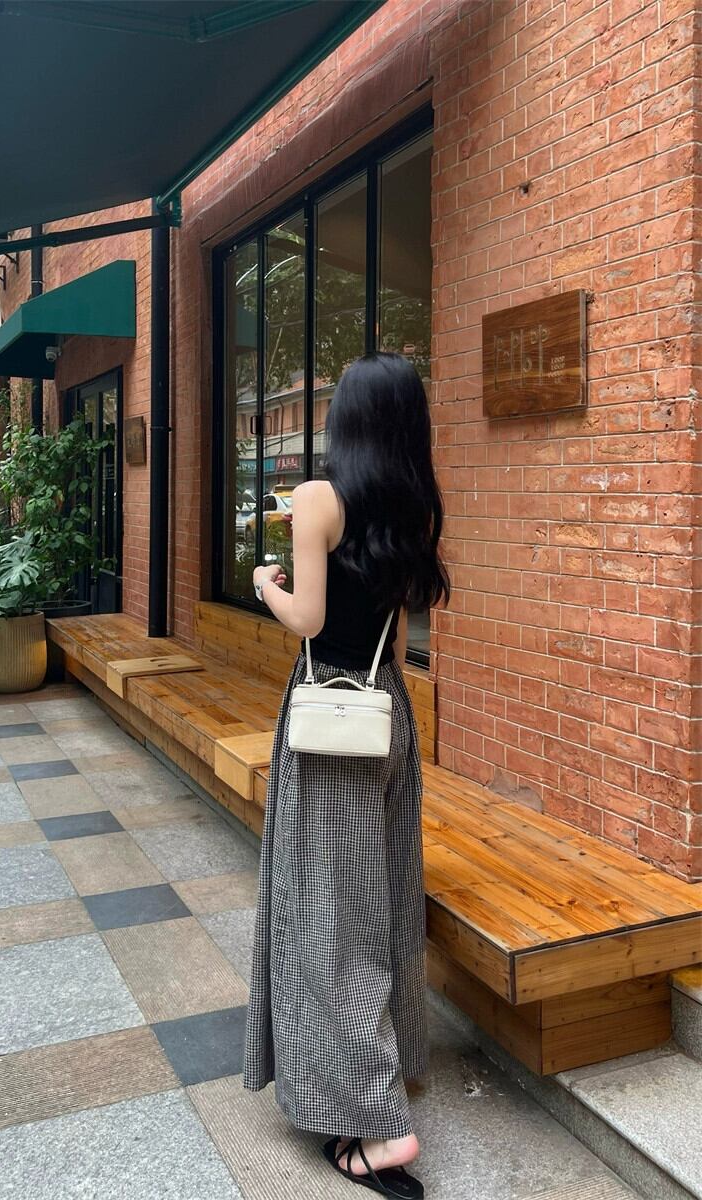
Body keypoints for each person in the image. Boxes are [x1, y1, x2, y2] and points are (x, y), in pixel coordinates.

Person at [243, 351, 451, 1199]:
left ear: (347, 419)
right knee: (384, 899)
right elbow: (393, 638)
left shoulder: (318, 499)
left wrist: (265, 584)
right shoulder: (413, 504)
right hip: (386, 714)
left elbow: (309, 618)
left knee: (328, 920)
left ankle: (378, 1124)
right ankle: (388, 1067)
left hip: (329, 722)